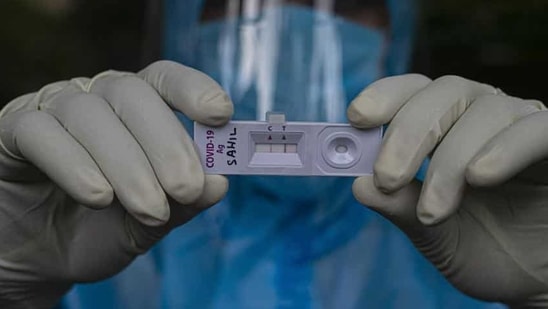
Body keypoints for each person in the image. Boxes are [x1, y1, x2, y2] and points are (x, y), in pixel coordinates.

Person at [0, 0, 547, 308]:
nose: (293, 32)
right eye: (238, 2)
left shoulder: (482, 207)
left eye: (348, 3)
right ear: (183, 25)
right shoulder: (80, 207)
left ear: (396, 32)